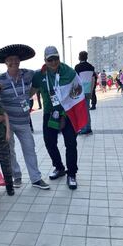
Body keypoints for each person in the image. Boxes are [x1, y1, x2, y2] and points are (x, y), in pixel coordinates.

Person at [0, 44, 49, 190]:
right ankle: (16, 176)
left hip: (24, 122)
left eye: (16, 59)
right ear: (6, 63)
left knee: (30, 148)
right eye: (10, 60)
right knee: (10, 151)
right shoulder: (0, 80)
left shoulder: (28, 74)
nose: (14, 62)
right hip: (7, 123)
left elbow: (42, 72)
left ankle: (36, 178)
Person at [31, 46, 83, 190]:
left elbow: (77, 93)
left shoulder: (69, 73)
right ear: (45, 60)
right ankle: (59, 167)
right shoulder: (39, 75)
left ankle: (71, 174)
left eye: (56, 58)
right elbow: (31, 92)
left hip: (68, 112)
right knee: (49, 143)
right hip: (49, 113)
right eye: (50, 59)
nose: (54, 62)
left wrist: (65, 116)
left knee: (71, 143)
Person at [75, 51, 95, 135]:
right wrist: (91, 91)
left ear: (80, 57)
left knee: (81, 111)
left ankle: (83, 129)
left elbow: (75, 80)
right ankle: (89, 128)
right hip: (88, 91)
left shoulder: (77, 67)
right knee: (87, 110)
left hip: (80, 91)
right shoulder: (91, 67)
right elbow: (93, 80)